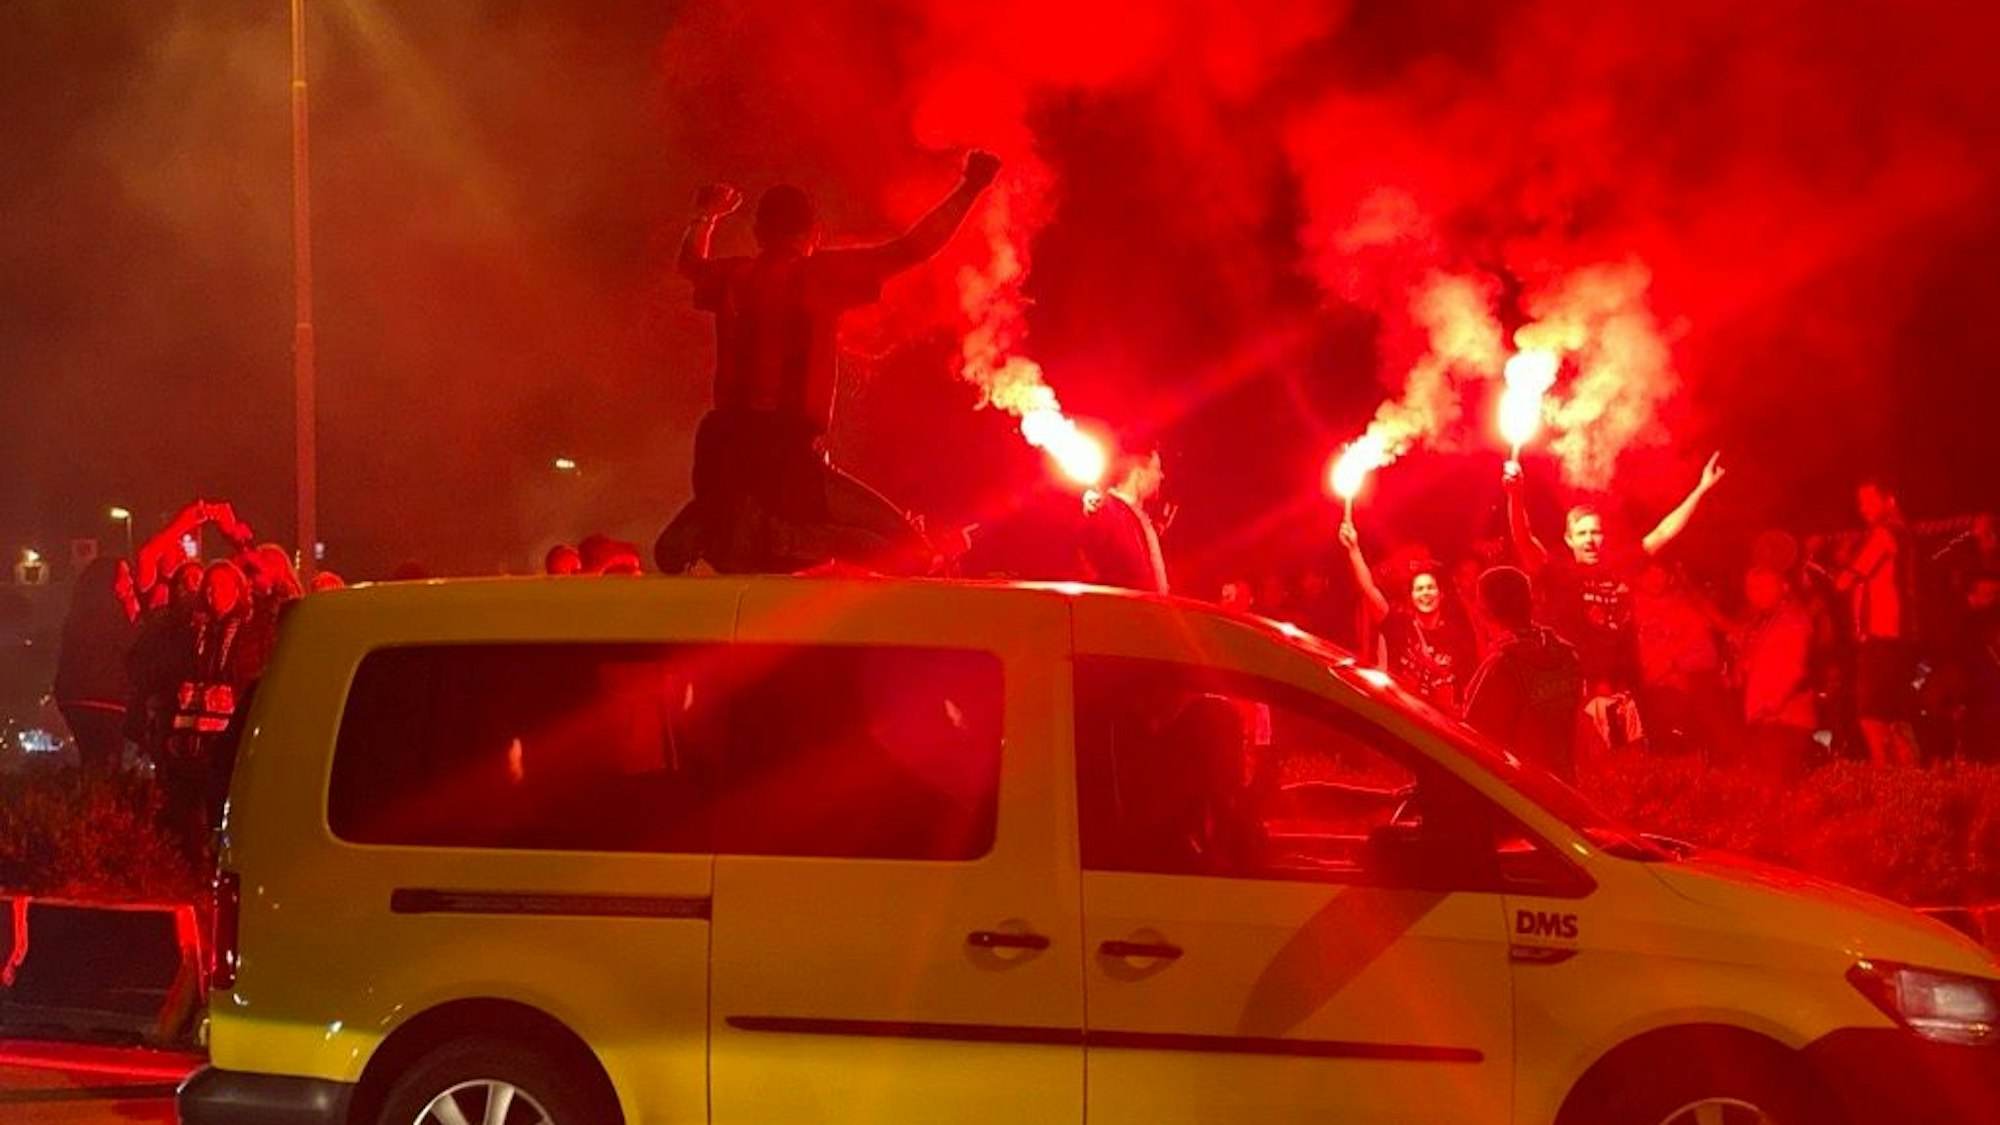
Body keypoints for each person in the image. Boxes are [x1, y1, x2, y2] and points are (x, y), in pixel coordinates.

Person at [655, 150, 1002, 576]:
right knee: (911, 552)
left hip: (724, 455)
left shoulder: (734, 277)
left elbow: (689, 265)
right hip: (789, 459)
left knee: (766, 551)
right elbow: (913, 248)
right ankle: (774, 534)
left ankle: (713, 518)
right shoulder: (820, 276)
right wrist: (971, 188)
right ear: (814, 233)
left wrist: (704, 217)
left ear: (759, 232)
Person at [1505, 452, 1726, 751]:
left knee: (1623, 771)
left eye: (1595, 532)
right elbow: (1523, 537)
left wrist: (1701, 489)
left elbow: (1663, 532)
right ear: (1569, 539)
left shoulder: (1621, 566)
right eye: (1581, 533)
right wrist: (1515, 495)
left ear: (1604, 537)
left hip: (1622, 693)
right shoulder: (1557, 572)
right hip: (1572, 693)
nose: (1590, 539)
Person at [1338, 521, 1479, 711]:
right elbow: (1369, 589)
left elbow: (1466, 693)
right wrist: (1354, 549)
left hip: (1437, 723)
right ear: (1411, 597)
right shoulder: (1399, 624)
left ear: (1441, 594)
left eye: (1430, 588)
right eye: (1419, 589)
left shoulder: (1456, 637)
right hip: (1401, 717)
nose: (1425, 593)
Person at [1463, 566, 1584, 782]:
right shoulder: (1567, 654)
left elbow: (1477, 742)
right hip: (1567, 786)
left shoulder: (1500, 667)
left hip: (1525, 794)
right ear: (1530, 601)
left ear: (1485, 611)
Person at [1833, 480, 1921, 765]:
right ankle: (1912, 786)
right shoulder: (1901, 534)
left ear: (1889, 500)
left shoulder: (1885, 533)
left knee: (1872, 717)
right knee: (1892, 717)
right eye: (1860, 503)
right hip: (1895, 638)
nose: (1863, 508)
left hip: (1884, 637)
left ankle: (1890, 785)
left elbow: (1846, 581)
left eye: (1869, 501)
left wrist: (1838, 564)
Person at [53, 556, 140, 778]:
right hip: (105, 698)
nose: (130, 582)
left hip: (74, 697)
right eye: (125, 576)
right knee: (106, 762)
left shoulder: (78, 615)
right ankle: (101, 804)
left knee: (91, 759)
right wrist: (133, 612)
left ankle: (90, 798)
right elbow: (134, 646)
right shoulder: (112, 614)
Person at [1728, 565, 1816, 782]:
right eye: (1751, 588)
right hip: (1766, 717)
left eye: (1763, 587)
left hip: (1784, 720)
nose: (1756, 594)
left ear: (1783, 587)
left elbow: (1795, 668)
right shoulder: (1766, 620)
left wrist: (1771, 707)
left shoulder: (1793, 620)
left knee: (1778, 785)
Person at [1080, 447, 1172, 594]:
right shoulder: (1108, 510)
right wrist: (1095, 509)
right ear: (1139, 474)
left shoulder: (1137, 517)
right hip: (1127, 611)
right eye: (1156, 469)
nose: (1161, 476)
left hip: (1150, 611)